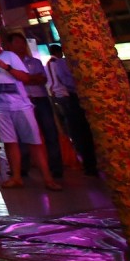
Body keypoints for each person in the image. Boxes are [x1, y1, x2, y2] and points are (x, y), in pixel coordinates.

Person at [0, 25, 60, 191]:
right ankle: (16, 177)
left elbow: (25, 77)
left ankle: (48, 178)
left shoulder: (10, 56)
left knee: (34, 141)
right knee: (9, 142)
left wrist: (7, 67)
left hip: (21, 104)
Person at [5, 32, 64, 180]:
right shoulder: (8, 65)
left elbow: (42, 79)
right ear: (9, 45)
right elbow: (16, 82)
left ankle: (55, 167)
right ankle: (23, 166)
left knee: (50, 131)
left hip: (40, 99)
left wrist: (24, 78)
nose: (21, 46)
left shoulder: (34, 62)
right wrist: (29, 78)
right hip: (21, 101)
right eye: (17, 43)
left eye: (22, 42)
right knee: (22, 135)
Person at [44, 43, 98, 177]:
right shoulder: (59, 63)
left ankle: (80, 155)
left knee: (70, 127)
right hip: (66, 95)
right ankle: (83, 158)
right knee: (77, 128)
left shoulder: (49, 64)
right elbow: (65, 81)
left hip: (58, 96)